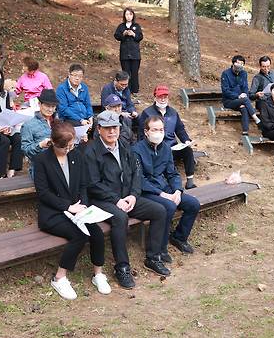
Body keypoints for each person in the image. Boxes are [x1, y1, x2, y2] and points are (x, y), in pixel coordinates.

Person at [85, 110, 170, 289]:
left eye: (115, 127)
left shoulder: (123, 146)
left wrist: (133, 194)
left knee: (159, 211)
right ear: (99, 129)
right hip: (102, 200)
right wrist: (116, 200)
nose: (112, 132)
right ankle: (122, 267)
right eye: (107, 128)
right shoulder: (91, 151)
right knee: (120, 218)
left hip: (126, 196)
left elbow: (135, 174)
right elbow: (93, 184)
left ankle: (153, 258)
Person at [33, 121, 111, 300]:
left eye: (71, 146)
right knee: (79, 236)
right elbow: (43, 193)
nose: (68, 150)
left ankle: (98, 274)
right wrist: (68, 207)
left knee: (97, 233)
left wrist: (82, 206)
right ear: (53, 142)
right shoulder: (42, 160)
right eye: (64, 147)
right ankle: (59, 277)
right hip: (53, 213)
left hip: (77, 210)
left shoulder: (77, 155)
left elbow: (83, 185)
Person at [132, 116, 200, 263]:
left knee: (193, 204)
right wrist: (162, 194)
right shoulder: (136, 150)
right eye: (154, 129)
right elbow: (139, 179)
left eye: (161, 129)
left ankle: (179, 237)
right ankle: (160, 248)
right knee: (168, 206)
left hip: (165, 188)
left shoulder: (166, 148)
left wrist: (177, 191)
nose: (158, 133)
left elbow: (172, 173)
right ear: (146, 131)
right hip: (146, 192)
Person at [138, 85, 197, 189]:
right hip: (155, 149)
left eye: (165, 96)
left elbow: (180, 129)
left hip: (173, 147)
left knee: (188, 150)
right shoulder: (147, 113)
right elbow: (141, 134)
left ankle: (190, 181)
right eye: (160, 96)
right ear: (155, 97)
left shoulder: (173, 112)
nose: (163, 99)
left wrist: (186, 140)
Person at [220, 55, 261, 135]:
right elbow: (225, 91)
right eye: (238, 63)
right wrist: (238, 96)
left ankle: (245, 131)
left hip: (242, 101)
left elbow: (245, 87)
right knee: (245, 100)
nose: (240, 65)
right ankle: (256, 118)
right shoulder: (225, 74)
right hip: (229, 101)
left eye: (242, 64)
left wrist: (244, 94)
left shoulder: (244, 73)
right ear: (233, 63)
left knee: (244, 108)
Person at [21, 89, 58, 176]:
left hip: (60, 162)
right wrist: (40, 145)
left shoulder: (58, 122)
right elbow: (26, 150)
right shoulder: (28, 125)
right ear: (39, 104)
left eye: (53, 106)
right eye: (47, 106)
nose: (50, 109)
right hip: (41, 166)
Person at [114, 8, 144, 97]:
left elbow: (140, 37)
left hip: (135, 54)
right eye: (127, 14)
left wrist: (133, 34)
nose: (128, 16)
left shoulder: (136, 26)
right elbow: (116, 36)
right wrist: (123, 34)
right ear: (124, 16)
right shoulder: (121, 26)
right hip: (124, 54)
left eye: (130, 14)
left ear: (133, 15)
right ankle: (126, 90)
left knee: (134, 72)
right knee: (125, 73)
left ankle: (135, 90)